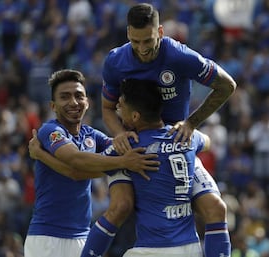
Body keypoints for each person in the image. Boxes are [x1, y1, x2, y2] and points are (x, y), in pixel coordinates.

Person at [98, 3, 236, 257]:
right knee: (120, 207)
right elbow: (107, 108)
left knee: (216, 208)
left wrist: (192, 122)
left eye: (148, 40)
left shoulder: (179, 57)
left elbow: (227, 85)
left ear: (160, 31)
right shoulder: (116, 61)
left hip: (175, 147)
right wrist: (118, 133)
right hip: (136, 146)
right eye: (135, 41)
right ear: (128, 33)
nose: (142, 49)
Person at [24, 69, 159, 257]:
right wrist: (124, 162)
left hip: (83, 236)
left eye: (79, 96)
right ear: (53, 106)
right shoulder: (50, 130)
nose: (73, 102)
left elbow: (118, 147)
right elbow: (75, 162)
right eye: (65, 97)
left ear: (87, 102)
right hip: (48, 237)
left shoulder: (91, 135)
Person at [83, 78, 211, 257]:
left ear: (135, 116)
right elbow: (207, 141)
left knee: (117, 207)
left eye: (121, 108)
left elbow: (83, 168)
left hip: (152, 249)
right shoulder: (187, 137)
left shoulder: (130, 145)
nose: (118, 113)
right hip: (191, 247)